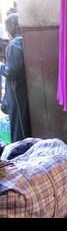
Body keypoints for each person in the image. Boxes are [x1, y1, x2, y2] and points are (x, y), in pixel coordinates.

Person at [0, 13, 31, 143]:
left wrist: (1, 67)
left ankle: (20, 148)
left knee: (19, 124)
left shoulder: (14, 44)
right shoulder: (24, 39)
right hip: (23, 88)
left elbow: (12, 71)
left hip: (17, 90)